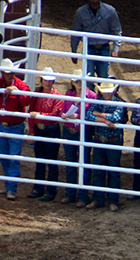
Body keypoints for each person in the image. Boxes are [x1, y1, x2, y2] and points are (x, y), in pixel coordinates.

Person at [0, 58, 31, 201]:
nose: (9, 75)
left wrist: (17, 92)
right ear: (3, 73)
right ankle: (9, 185)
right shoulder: (0, 82)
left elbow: (27, 100)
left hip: (15, 126)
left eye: (11, 73)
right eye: (7, 73)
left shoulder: (21, 85)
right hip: (2, 124)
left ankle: (11, 188)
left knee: (13, 158)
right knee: (4, 156)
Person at [84, 78, 125, 211]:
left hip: (111, 141)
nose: (107, 94)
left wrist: (99, 115)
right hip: (102, 139)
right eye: (105, 92)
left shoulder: (118, 103)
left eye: (109, 92)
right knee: (99, 171)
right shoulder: (102, 102)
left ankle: (112, 200)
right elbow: (88, 115)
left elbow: (116, 118)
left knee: (113, 172)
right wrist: (106, 120)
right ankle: (99, 199)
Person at [27, 68, 63, 201]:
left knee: (51, 160)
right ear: (42, 81)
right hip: (39, 129)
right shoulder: (37, 94)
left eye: (50, 80)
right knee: (40, 160)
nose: (47, 83)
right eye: (45, 80)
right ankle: (38, 188)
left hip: (50, 129)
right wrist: (31, 131)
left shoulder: (57, 96)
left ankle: (50, 190)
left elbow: (55, 115)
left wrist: (40, 115)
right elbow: (31, 112)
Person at [59, 73, 93, 206]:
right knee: (71, 163)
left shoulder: (92, 96)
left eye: (81, 81)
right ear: (73, 82)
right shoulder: (69, 94)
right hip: (69, 131)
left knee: (83, 163)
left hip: (83, 132)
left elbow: (90, 116)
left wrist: (77, 116)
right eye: (77, 81)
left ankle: (83, 196)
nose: (79, 84)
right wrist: (63, 114)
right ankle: (71, 194)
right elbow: (63, 109)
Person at [71, 0, 122, 79]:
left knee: (103, 76)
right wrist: (74, 51)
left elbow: (117, 30)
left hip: (104, 47)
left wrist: (115, 49)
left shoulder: (110, 11)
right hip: (88, 47)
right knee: (88, 77)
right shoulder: (81, 12)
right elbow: (76, 33)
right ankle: (89, 91)